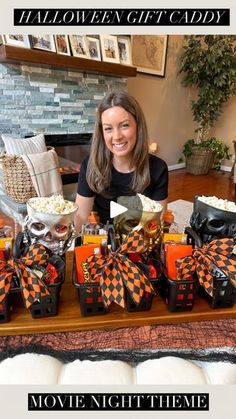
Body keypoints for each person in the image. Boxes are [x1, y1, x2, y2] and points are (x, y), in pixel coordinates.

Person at [75, 90, 168, 232]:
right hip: (104, 240)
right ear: (102, 133)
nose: (117, 136)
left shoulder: (158, 168)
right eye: (108, 129)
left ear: (137, 126)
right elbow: (80, 217)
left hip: (141, 239)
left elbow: (156, 222)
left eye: (124, 125)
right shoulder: (90, 165)